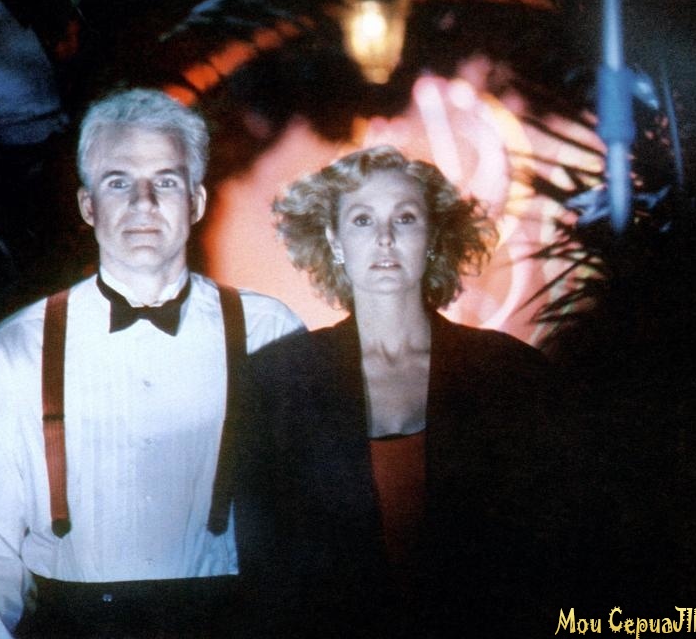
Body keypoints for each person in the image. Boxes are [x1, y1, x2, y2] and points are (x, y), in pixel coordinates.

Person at [0, 88, 303, 638]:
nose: (143, 203)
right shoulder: (18, 348)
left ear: (196, 202)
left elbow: (312, 521)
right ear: (89, 206)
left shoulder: (269, 332)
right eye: (118, 182)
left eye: (166, 181)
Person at [232, 146, 561, 638]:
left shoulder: (510, 373)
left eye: (405, 219)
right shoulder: (276, 381)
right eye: (362, 220)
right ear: (334, 239)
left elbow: (549, 552)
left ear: (432, 237)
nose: (384, 238)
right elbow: (265, 569)